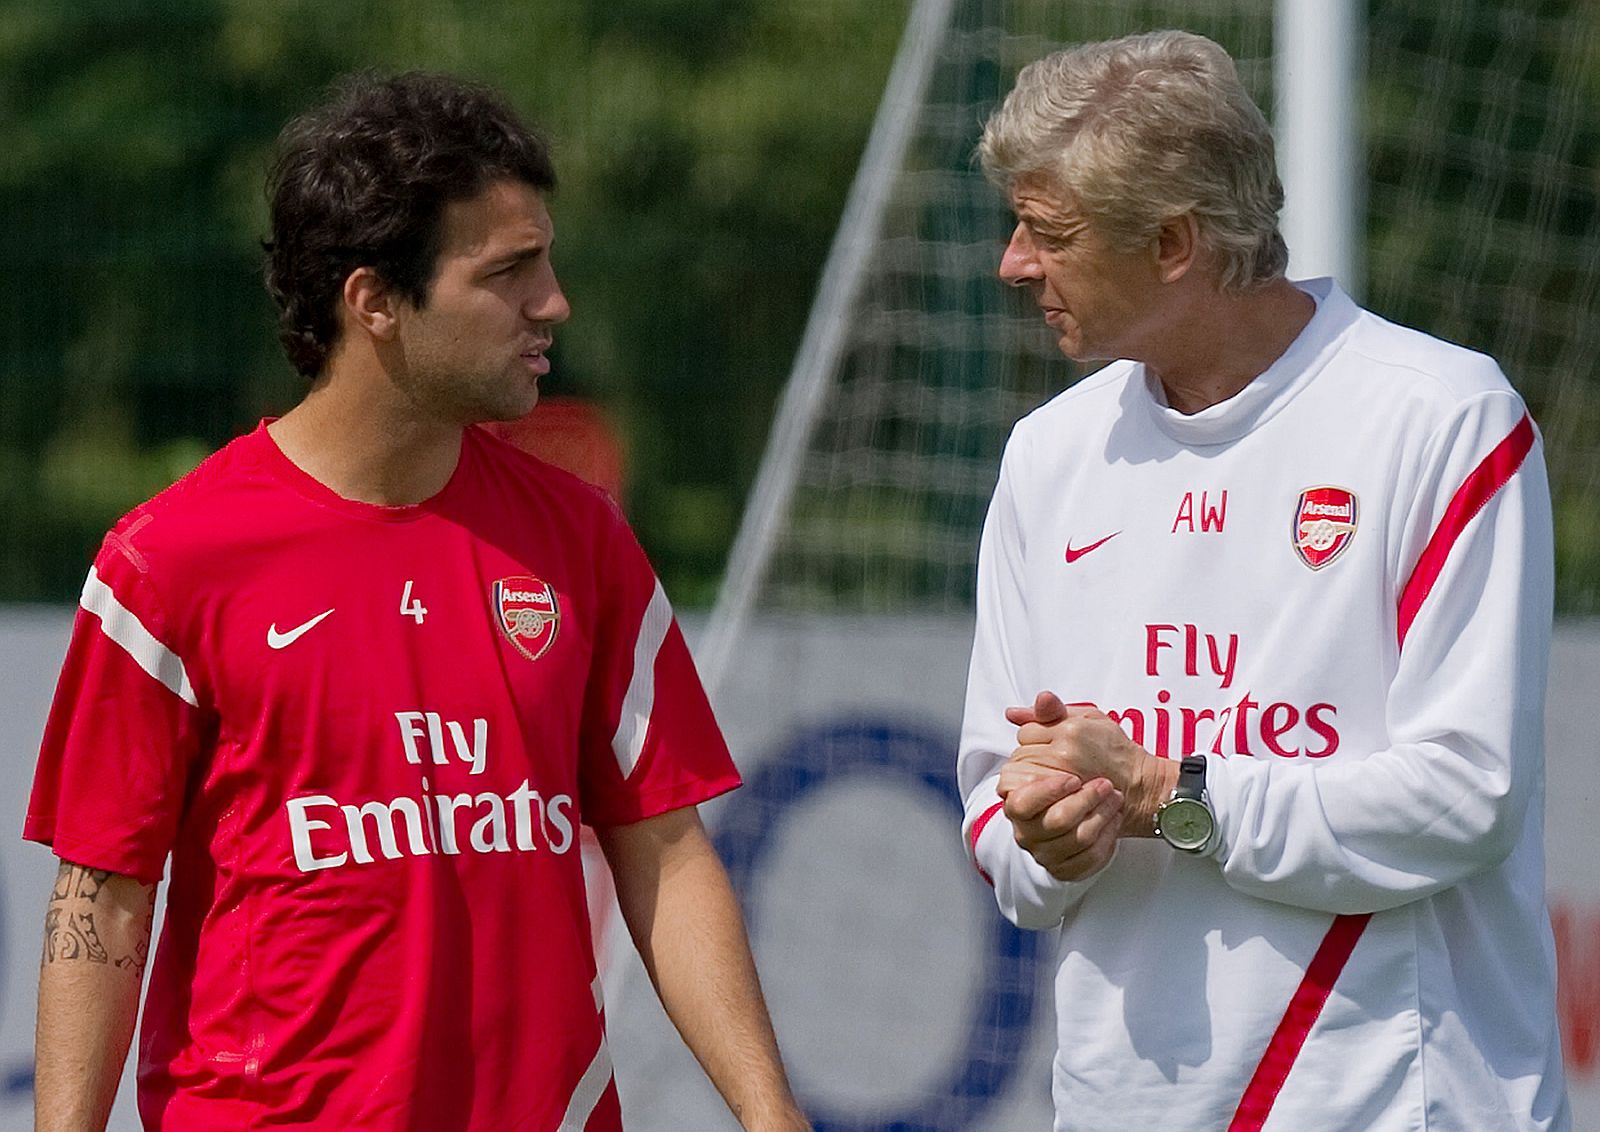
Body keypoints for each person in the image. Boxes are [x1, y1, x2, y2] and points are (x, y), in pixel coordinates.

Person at [27, 71, 809, 1132]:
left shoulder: (579, 539)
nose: (554, 302)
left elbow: (664, 849)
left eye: (548, 260)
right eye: (508, 272)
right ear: (375, 301)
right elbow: (103, 898)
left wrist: (772, 1116)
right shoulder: (168, 562)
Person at [957, 30, 1570, 1131]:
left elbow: (1464, 794)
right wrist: (1045, 836)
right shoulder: (1048, 455)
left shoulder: (1440, 418)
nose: (1012, 262)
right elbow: (993, 810)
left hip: (1399, 1103)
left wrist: (1165, 791)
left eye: (1047, 233)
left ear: (1175, 242)